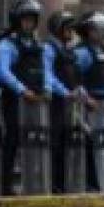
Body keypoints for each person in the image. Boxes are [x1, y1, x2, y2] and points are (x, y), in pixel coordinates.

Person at [0, 0, 51, 196]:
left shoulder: (37, 44)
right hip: (15, 98)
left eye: (32, 20)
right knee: (12, 139)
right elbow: (3, 71)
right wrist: (21, 89)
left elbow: (46, 69)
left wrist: (46, 88)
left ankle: (36, 182)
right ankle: (6, 185)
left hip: (36, 99)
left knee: (36, 139)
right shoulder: (7, 44)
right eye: (25, 19)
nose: (28, 24)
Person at [75, 10, 104, 192]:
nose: (100, 34)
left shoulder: (103, 52)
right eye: (96, 30)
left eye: (102, 30)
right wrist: (86, 98)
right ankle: (91, 183)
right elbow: (75, 79)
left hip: (102, 106)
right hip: (88, 106)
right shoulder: (82, 53)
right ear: (88, 31)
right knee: (90, 144)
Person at [45, 11, 83, 194]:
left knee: (68, 141)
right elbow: (48, 75)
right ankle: (54, 182)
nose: (70, 31)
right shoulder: (49, 48)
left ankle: (66, 181)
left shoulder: (69, 50)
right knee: (55, 142)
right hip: (55, 102)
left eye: (71, 28)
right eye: (66, 27)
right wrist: (64, 92)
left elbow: (75, 75)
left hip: (70, 101)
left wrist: (79, 92)